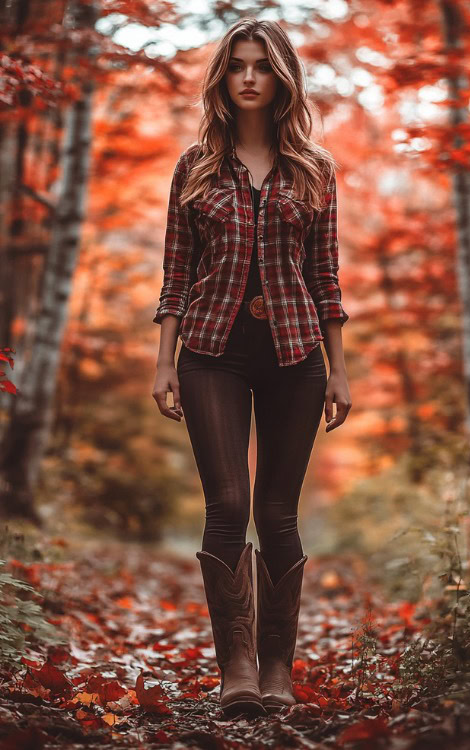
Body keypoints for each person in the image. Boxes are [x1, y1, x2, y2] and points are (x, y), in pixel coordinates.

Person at [152, 17, 351, 718]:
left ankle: (276, 671)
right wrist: (164, 362)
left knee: (278, 511)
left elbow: (326, 278)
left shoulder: (316, 169)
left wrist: (340, 370)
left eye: (261, 66)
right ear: (222, 77)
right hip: (211, 352)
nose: (247, 77)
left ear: (282, 78)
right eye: (236, 64)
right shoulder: (195, 167)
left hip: (297, 355)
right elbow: (176, 271)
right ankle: (235, 667)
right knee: (228, 506)